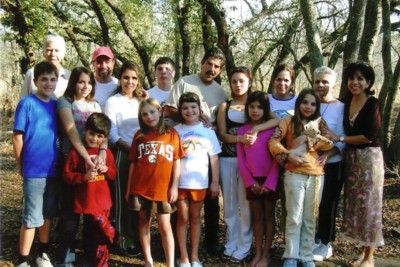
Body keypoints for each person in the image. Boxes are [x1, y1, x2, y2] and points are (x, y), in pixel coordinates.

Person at [165, 47, 228, 254]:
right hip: (183, 149)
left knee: (211, 199)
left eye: (217, 67)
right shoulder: (184, 82)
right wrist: (195, 116)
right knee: (180, 203)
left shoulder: (221, 92)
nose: (212, 69)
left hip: (207, 150)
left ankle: (210, 241)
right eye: (209, 64)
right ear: (202, 62)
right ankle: (177, 244)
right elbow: (170, 109)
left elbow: (221, 120)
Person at [216, 67, 279, 263]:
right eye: (234, 81)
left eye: (241, 81)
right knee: (230, 205)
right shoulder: (224, 106)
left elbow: (277, 120)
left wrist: (257, 128)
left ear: (249, 81)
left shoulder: (257, 103)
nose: (237, 85)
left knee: (246, 206)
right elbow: (223, 134)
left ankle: (245, 245)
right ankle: (231, 242)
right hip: (229, 158)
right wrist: (241, 138)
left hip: (253, 165)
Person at [268, 89, 334, 267]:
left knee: (310, 217)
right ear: (299, 104)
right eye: (305, 102)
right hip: (293, 173)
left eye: (313, 104)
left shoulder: (320, 123)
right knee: (294, 216)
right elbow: (273, 141)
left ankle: (306, 255)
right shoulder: (288, 121)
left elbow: (330, 143)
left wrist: (310, 136)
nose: (308, 107)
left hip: (316, 175)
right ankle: (291, 255)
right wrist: (287, 155)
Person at [328, 62, 384, 267]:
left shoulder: (372, 103)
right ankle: (361, 254)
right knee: (357, 207)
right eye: (352, 78)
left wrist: (340, 139)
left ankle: (370, 257)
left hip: (369, 160)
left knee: (370, 207)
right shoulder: (344, 102)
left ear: (368, 82)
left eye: (360, 78)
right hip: (351, 160)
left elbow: (369, 136)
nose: (355, 82)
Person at [125, 98, 185, 267]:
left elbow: (177, 161)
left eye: (152, 112)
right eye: (144, 114)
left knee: (165, 226)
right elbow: (133, 163)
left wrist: (174, 186)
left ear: (160, 111)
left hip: (162, 189)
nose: (149, 116)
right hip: (140, 187)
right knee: (143, 222)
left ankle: (170, 263)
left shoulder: (172, 133)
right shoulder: (139, 135)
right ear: (140, 117)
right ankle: (148, 260)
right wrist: (129, 188)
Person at [13, 61, 59, 267]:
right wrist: (20, 163)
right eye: (44, 79)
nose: (48, 84)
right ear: (36, 81)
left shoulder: (58, 105)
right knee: (32, 216)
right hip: (34, 169)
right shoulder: (27, 103)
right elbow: (17, 137)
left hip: (54, 169)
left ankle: (43, 254)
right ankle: (23, 259)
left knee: (47, 215)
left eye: (52, 79)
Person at [55, 66, 103, 266]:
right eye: (81, 82)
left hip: (93, 162)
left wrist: (101, 153)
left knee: (92, 208)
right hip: (72, 159)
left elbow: (104, 132)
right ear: (73, 82)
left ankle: (90, 253)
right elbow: (72, 132)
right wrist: (86, 158)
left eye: (89, 82)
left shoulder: (95, 105)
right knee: (70, 212)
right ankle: (65, 257)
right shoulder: (65, 102)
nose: (85, 86)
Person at [63, 113, 117, 266]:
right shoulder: (76, 154)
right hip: (86, 202)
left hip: (103, 203)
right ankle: (90, 259)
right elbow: (67, 176)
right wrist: (83, 177)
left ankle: (101, 262)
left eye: (99, 136)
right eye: (91, 134)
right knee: (89, 234)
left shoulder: (107, 154)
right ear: (85, 132)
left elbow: (113, 175)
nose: (94, 139)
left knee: (100, 236)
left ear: (105, 138)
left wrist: (106, 169)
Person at [174, 92, 221, 267]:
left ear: (200, 110)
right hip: (179, 183)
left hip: (200, 183)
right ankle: (183, 257)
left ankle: (194, 256)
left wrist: (214, 182)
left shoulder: (208, 131)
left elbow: (214, 158)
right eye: (185, 108)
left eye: (193, 107)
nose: (189, 111)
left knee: (195, 218)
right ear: (180, 110)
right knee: (182, 219)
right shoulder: (175, 131)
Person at [104, 60, 144, 257]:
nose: (130, 81)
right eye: (126, 77)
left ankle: (138, 236)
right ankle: (122, 237)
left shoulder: (141, 101)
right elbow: (112, 133)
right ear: (120, 79)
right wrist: (131, 150)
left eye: (134, 78)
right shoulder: (113, 101)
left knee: (140, 197)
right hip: (123, 153)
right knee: (123, 197)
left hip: (144, 155)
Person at [236, 91, 280, 267]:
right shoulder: (242, 131)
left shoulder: (272, 130)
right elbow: (241, 159)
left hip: (270, 181)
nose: (255, 110)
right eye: (252, 107)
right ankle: (258, 252)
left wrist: (270, 183)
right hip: (252, 181)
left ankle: (267, 254)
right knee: (257, 217)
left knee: (269, 216)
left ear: (266, 110)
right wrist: (250, 182)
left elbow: (278, 158)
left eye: (260, 107)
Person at [311, 66, 345, 261]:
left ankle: (326, 242)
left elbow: (343, 137)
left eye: (325, 82)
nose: (321, 85)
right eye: (317, 81)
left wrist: (328, 154)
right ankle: (314, 239)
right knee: (313, 204)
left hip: (333, 163)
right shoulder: (311, 104)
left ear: (333, 84)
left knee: (328, 204)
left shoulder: (340, 107)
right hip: (312, 162)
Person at [20, 34, 71, 99]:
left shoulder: (69, 76)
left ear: (63, 54)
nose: (53, 54)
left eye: (57, 50)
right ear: (44, 53)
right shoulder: (31, 73)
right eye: (49, 50)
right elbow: (22, 102)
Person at [91, 46, 119, 111]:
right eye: (99, 62)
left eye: (107, 62)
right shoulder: (88, 85)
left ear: (113, 63)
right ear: (93, 64)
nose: (103, 66)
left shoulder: (119, 86)